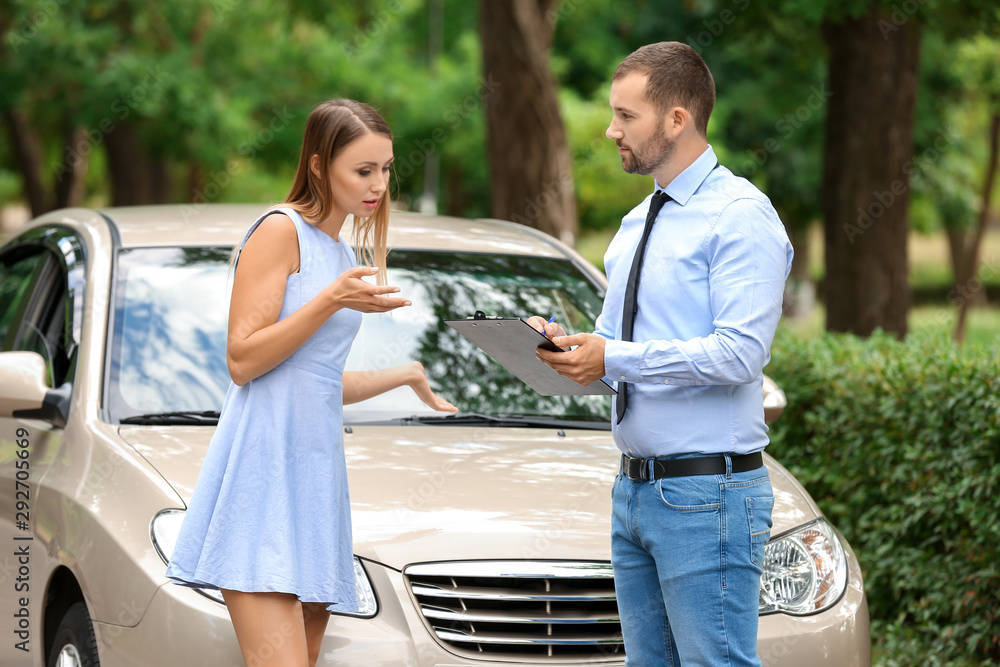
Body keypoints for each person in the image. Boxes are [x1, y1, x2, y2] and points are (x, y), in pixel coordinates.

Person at [165, 99, 458, 667]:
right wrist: (329, 301)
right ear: (320, 166)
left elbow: (311, 379)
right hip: (263, 476)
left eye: (387, 169)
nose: (378, 185)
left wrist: (405, 374)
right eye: (363, 170)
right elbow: (243, 361)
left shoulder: (340, 249)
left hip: (316, 482)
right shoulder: (281, 230)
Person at [530, 42, 793, 666]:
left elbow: (739, 355)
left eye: (627, 116)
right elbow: (616, 345)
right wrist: (566, 346)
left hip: (708, 495)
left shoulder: (740, 216)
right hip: (636, 493)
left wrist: (613, 357)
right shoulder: (635, 222)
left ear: (677, 118)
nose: (610, 129)